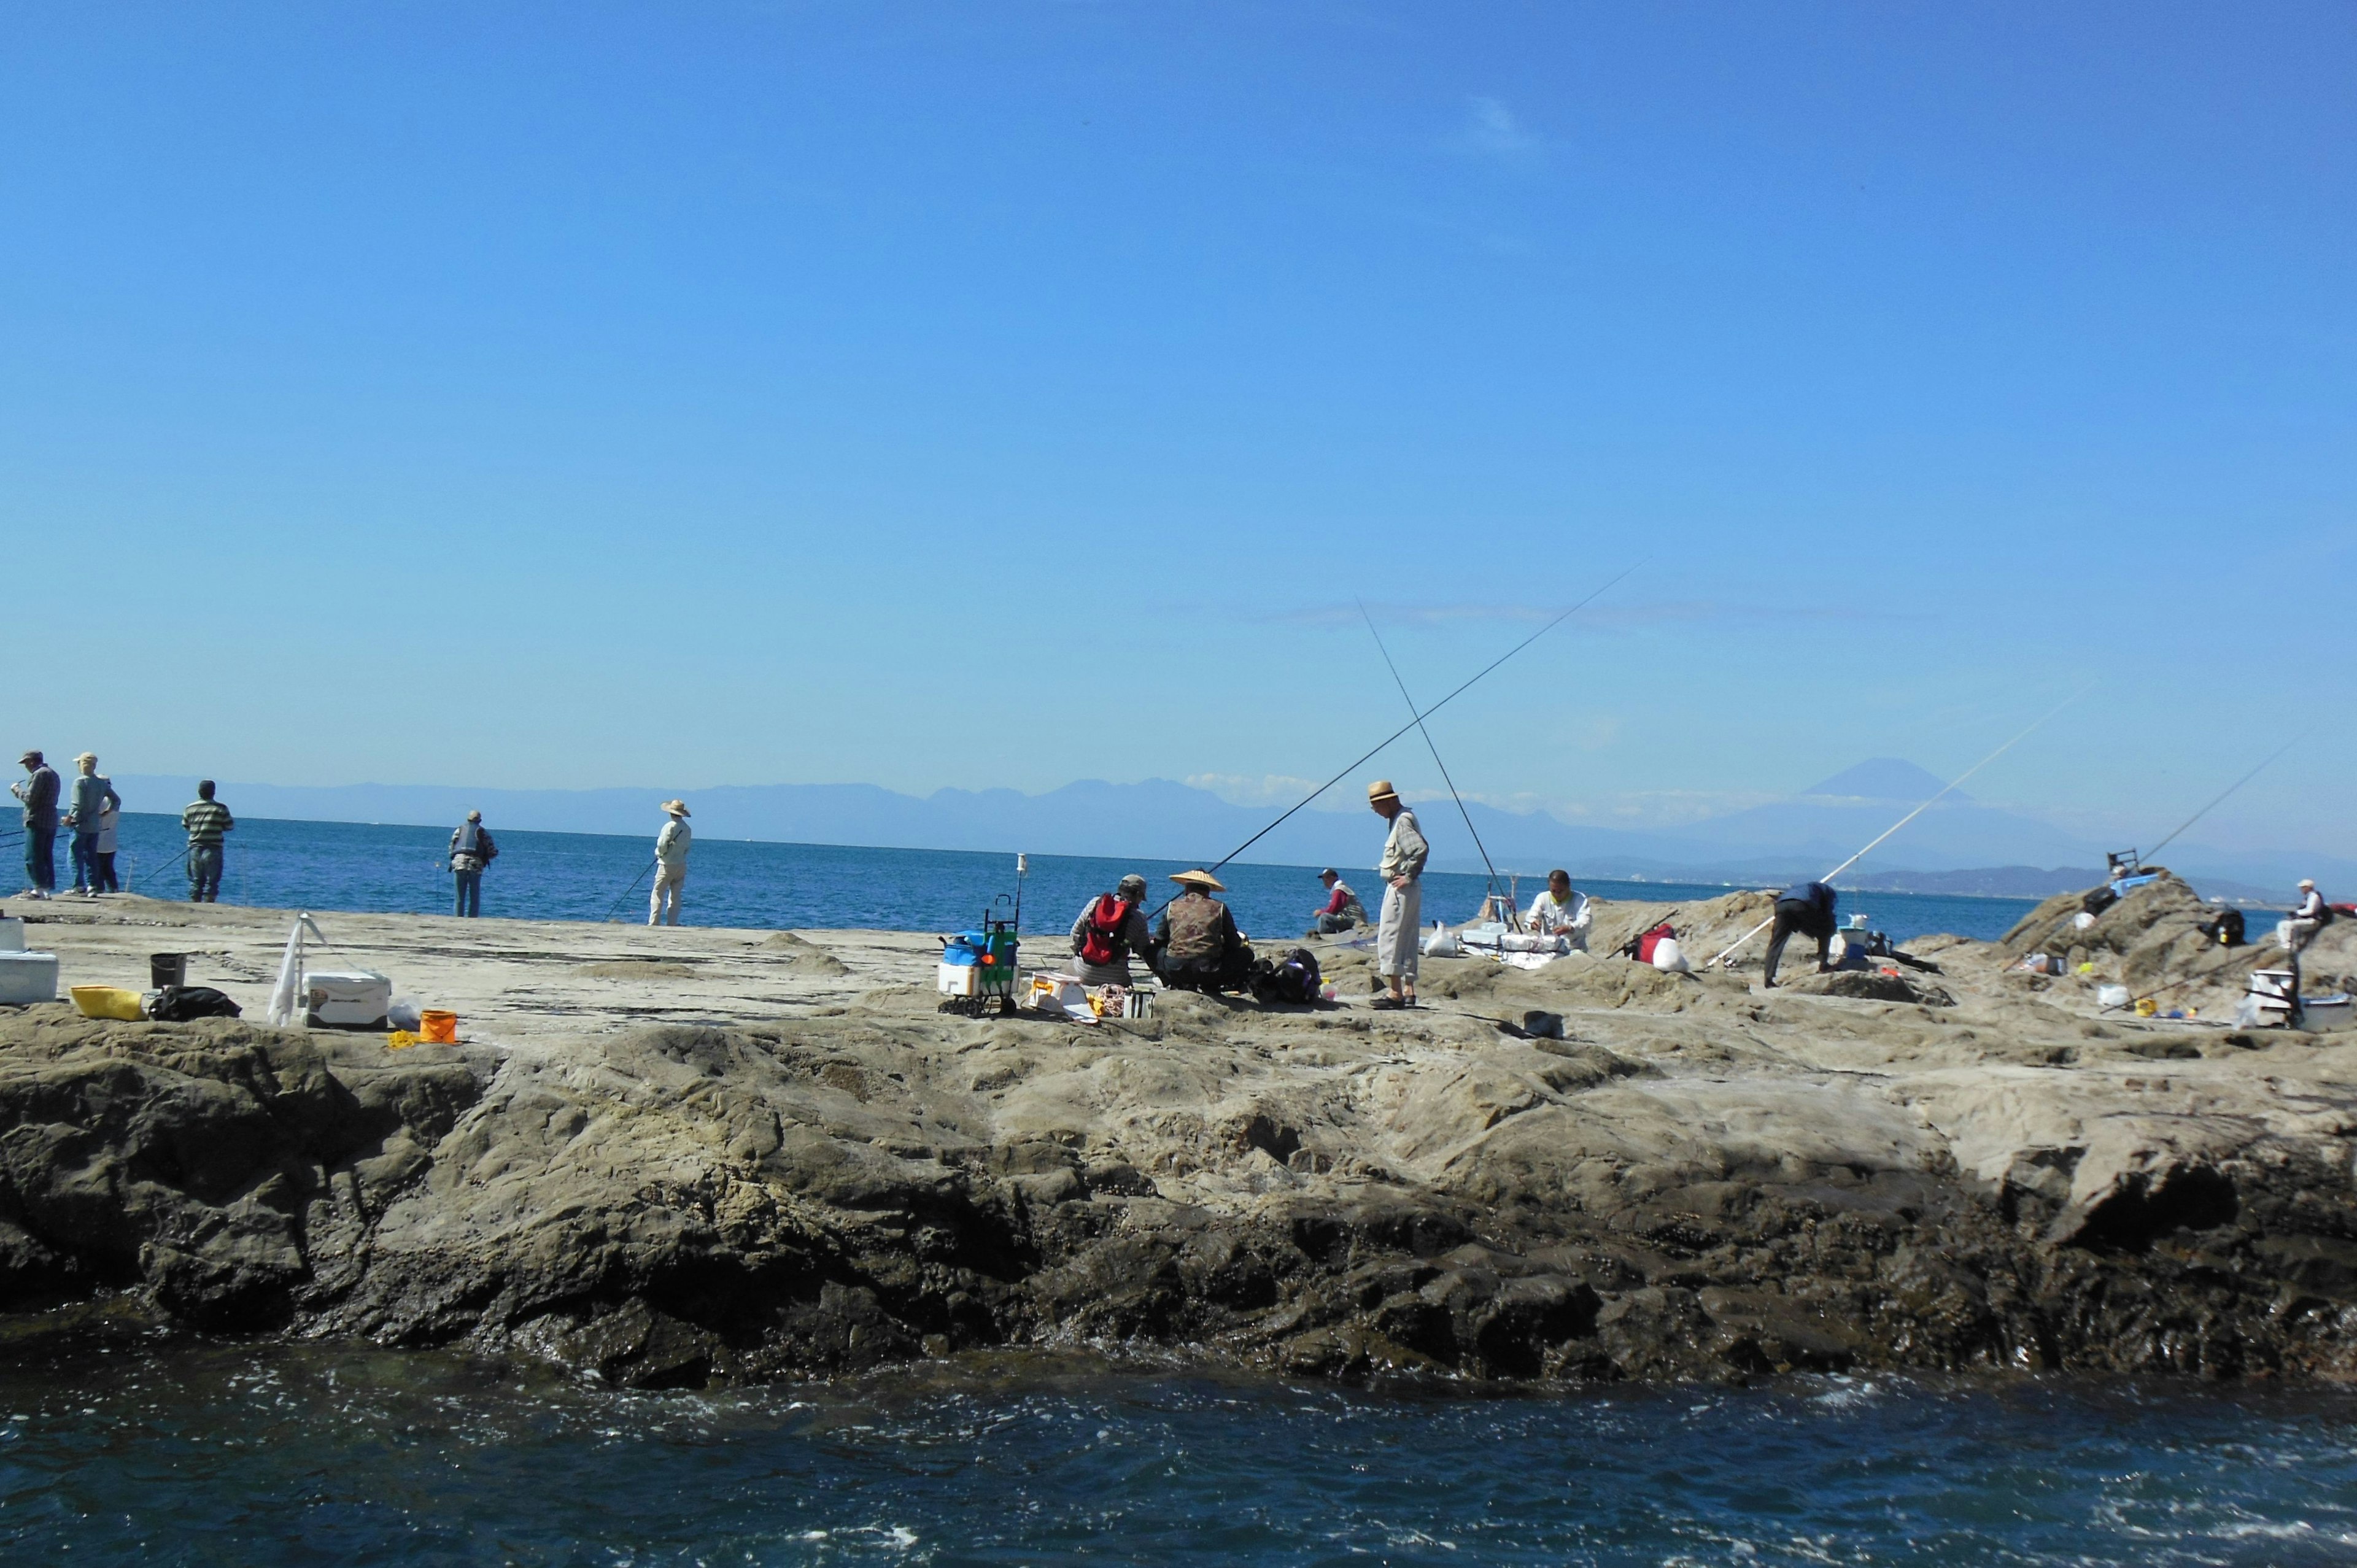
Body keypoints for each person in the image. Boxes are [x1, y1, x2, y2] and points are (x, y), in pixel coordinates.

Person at [1368, 780, 1428, 1010]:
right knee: (1409, 936)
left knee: (1391, 937)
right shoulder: (1404, 817)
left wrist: (1408, 876)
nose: (1375, 811)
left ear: (1388, 802)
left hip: (1400, 886)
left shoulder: (1401, 822)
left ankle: (1395, 993)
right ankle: (1409, 989)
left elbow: (1419, 849)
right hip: (1410, 888)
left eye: (1376, 805)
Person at [1148, 868, 1253, 993]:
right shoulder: (1220, 908)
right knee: (1247, 954)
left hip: (1176, 969)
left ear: (1187, 890)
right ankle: (1212, 985)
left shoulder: (1172, 906)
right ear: (1208, 891)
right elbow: (1234, 942)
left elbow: (1160, 939)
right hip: (1209, 971)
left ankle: (1172, 982)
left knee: (1149, 950)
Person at [1070, 873, 1151, 984]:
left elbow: (1075, 933)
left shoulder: (1095, 903)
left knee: (1067, 967)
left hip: (1084, 971)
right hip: (1116, 978)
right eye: (1142, 898)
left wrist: (1077, 953)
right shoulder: (1139, 917)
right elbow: (1143, 950)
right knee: (1128, 982)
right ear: (1138, 895)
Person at [63, 754, 121, 898]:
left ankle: (78, 886)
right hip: (95, 825)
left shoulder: (80, 782)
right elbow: (116, 800)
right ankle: (93, 886)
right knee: (91, 858)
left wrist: (69, 818)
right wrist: (105, 813)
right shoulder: (101, 783)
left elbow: (77, 804)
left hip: (80, 825)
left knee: (75, 856)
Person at [1763, 879, 1838, 987]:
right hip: (1802, 905)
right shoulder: (1829, 892)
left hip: (1781, 905)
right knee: (1826, 930)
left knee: (1776, 941)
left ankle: (1768, 979)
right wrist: (1831, 928)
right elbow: (1828, 913)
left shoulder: (1803, 888)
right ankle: (1824, 965)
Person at [12, 750, 61, 900]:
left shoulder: (39, 774)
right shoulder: (54, 774)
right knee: (46, 855)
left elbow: (31, 798)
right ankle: (46, 889)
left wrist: (16, 790)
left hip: (37, 819)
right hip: (51, 820)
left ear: (32, 761)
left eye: (26, 763)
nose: (25, 766)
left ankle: (38, 890)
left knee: (33, 855)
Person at [181, 781, 234, 903]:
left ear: (199, 792)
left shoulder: (190, 808)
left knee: (196, 880)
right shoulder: (221, 808)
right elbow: (229, 826)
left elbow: (186, 825)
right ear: (214, 792)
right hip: (214, 848)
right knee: (212, 881)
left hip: (195, 847)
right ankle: (209, 904)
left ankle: (195, 903)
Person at [1525, 870, 1593, 951]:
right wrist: (1533, 923)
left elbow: (1586, 921)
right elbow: (1531, 915)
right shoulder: (1543, 898)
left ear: (1568, 886)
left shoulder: (1579, 898)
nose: (1557, 894)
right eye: (1554, 891)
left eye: (1560, 891)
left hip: (1574, 948)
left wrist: (1570, 928)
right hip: (1549, 948)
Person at [448, 809, 498, 917]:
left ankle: (458, 918)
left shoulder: (459, 830)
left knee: (459, 896)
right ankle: (472, 919)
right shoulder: (483, 832)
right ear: (480, 820)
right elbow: (492, 851)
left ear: (468, 819)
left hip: (459, 862)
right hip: (475, 864)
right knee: (474, 896)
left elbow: (452, 847)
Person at [650, 800, 691, 926]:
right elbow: (687, 848)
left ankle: (654, 922)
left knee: (658, 893)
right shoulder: (687, 829)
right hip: (681, 864)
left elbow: (662, 845)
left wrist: (659, 853)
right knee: (675, 896)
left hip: (666, 864)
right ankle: (672, 923)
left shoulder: (669, 826)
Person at [1312, 868, 1368, 935]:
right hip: (1356, 920)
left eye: (1327, 878)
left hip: (1354, 921)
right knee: (1331, 918)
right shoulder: (1342, 888)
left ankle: (1320, 936)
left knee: (1324, 917)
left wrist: (1320, 912)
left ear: (1334, 878)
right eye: (1324, 879)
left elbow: (1333, 909)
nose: (1325, 881)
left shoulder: (1339, 890)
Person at [2286, 879, 2330, 952]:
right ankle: (2290, 944)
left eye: (2302, 887)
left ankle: (2288, 946)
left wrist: (2297, 913)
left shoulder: (2314, 896)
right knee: (2285, 924)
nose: (2301, 889)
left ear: (2308, 887)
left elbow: (2310, 911)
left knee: (2289, 925)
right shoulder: (2310, 896)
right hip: (2310, 919)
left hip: (2313, 921)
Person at [93, 792, 122, 893]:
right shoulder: (115, 801)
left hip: (100, 839)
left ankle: (99, 889)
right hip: (111, 840)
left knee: (97, 867)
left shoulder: (101, 801)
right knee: (108, 867)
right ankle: (114, 888)